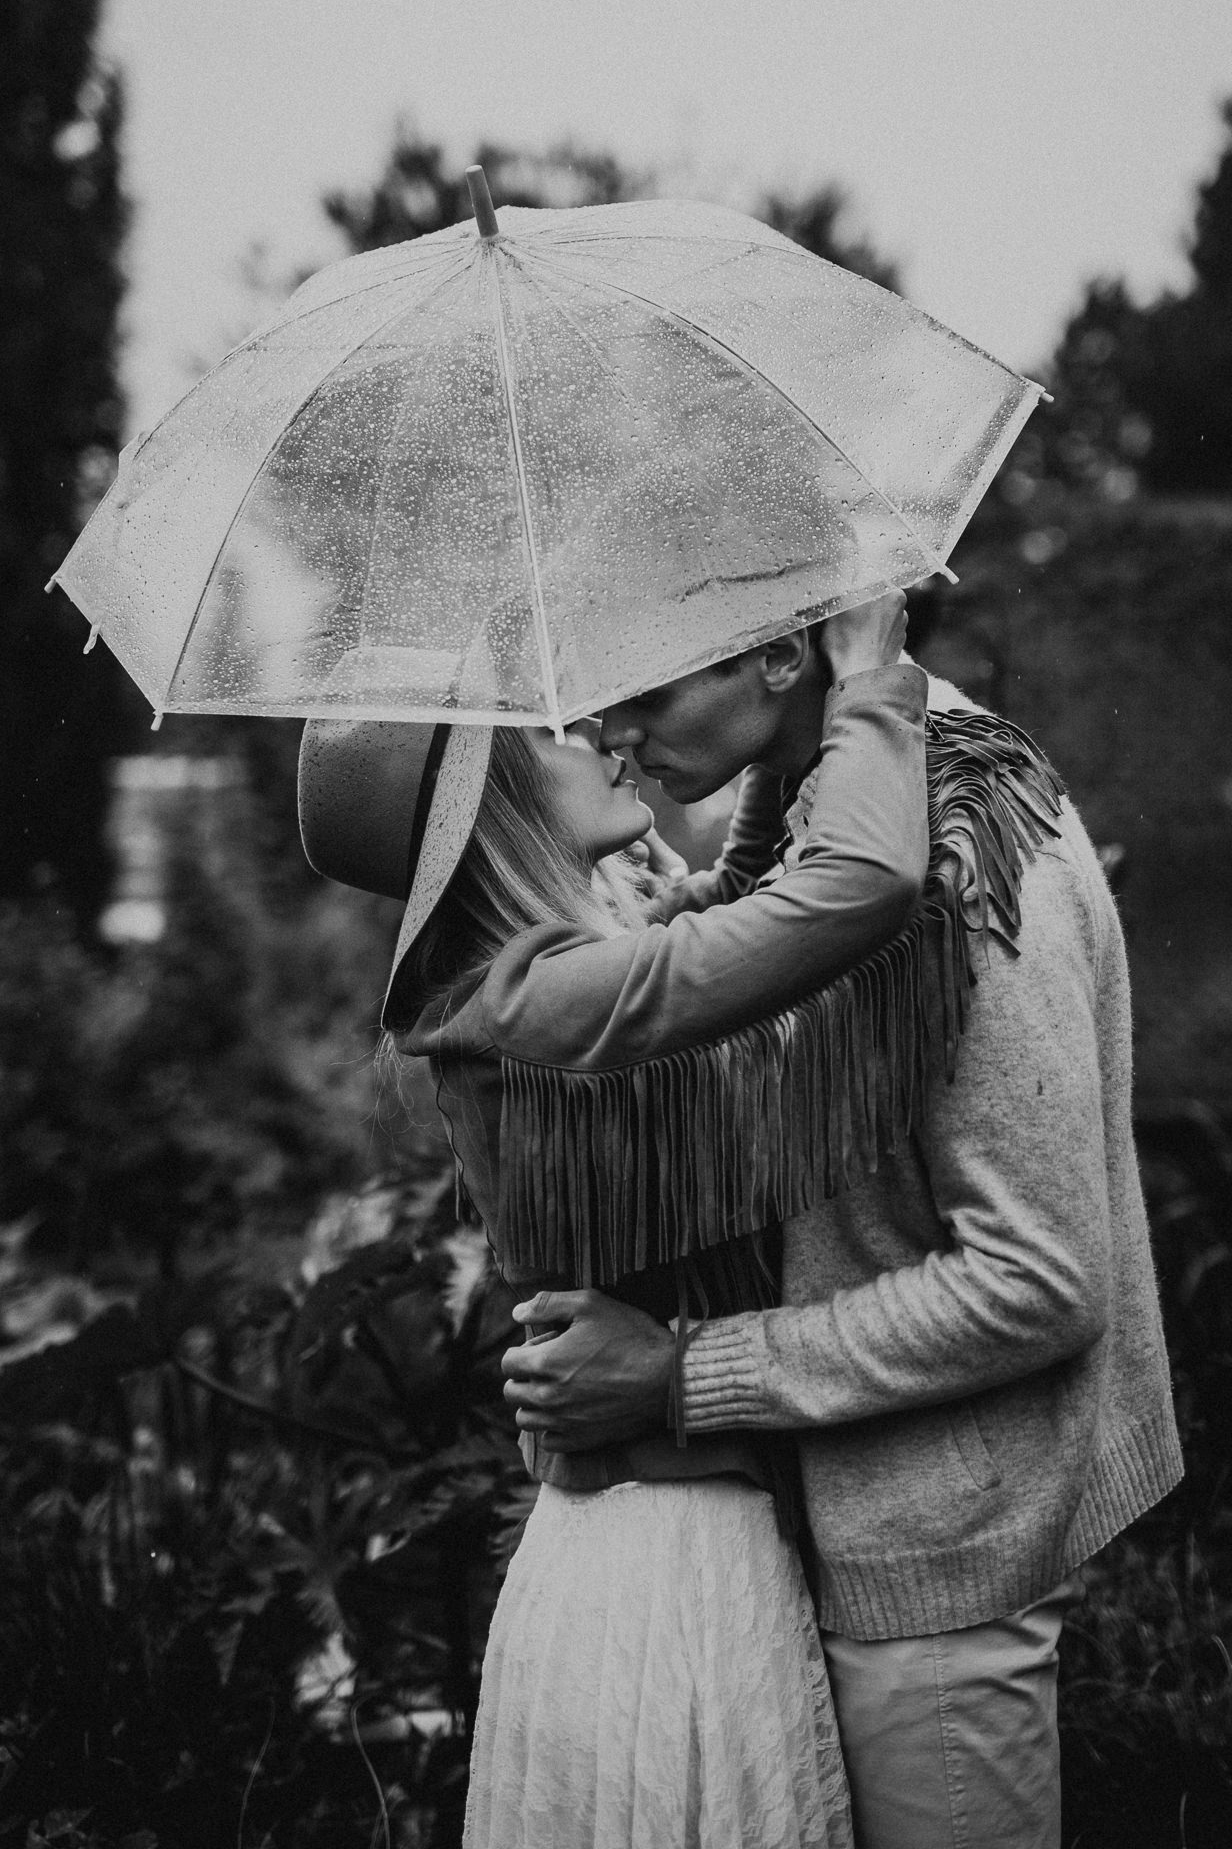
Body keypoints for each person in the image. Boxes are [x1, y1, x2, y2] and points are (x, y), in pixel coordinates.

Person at [502, 636, 1185, 1849]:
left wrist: (679, 1372)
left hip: (935, 1559)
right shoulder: (847, 800)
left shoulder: (953, 852)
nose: (615, 731)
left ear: (774, 655)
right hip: (878, 1504)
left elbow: (1038, 1277)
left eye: (647, 691)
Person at [298, 593, 931, 1849]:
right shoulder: (550, 1008)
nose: (597, 727)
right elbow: (857, 882)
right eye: (546, 726)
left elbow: (741, 912)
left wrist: (762, 739)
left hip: (661, 1540)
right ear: (496, 810)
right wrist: (866, 672)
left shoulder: (547, 984)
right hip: (669, 1565)